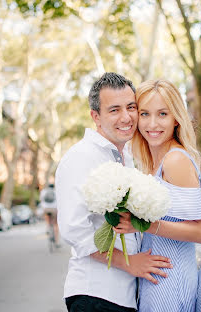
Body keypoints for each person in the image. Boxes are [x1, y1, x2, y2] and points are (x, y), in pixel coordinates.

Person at [55, 73, 173, 312]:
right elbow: (74, 230)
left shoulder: (128, 156)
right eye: (114, 110)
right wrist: (129, 263)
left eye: (131, 107)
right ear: (95, 116)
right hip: (96, 295)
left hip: (126, 296)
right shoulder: (80, 157)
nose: (126, 117)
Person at [114, 79, 201, 312]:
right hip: (154, 277)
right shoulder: (153, 163)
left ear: (175, 119)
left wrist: (143, 225)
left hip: (172, 279)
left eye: (162, 114)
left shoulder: (175, 160)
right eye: (145, 114)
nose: (153, 123)